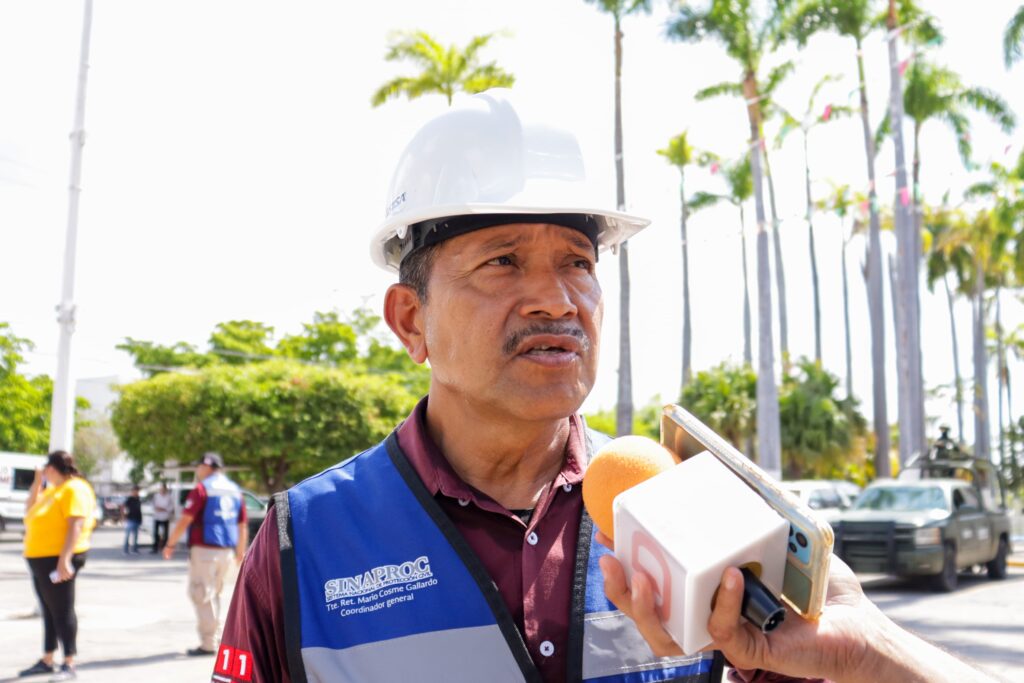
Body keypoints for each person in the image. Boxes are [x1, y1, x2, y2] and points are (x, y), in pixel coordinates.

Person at [216, 90, 996, 683]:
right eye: (502, 260)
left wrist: (867, 646)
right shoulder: (304, 542)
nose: (556, 299)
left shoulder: (693, 514)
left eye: (578, 262)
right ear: (410, 318)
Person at [19, 450, 97, 681]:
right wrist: (37, 482)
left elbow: (76, 524)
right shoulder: (54, 490)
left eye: (45, 470)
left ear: (53, 468)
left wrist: (65, 559)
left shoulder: (75, 488)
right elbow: (30, 509)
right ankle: (48, 658)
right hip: (41, 560)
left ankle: (69, 662)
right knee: (49, 609)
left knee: (62, 610)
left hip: (58, 559)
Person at [163, 452, 248, 657]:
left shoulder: (202, 489)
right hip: (227, 551)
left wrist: (170, 544)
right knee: (216, 594)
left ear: (206, 467)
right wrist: (240, 552)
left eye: (198, 467)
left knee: (201, 593)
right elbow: (242, 524)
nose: (197, 471)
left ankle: (209, 643)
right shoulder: (234, 490)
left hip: (205, 551)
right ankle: (217, 639)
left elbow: (185, 519)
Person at [151, 481, 174, 553]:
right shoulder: (156, 496)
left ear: (165, 489)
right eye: (161, 489)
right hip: (157, 516)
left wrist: (164, 509)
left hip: (165, 516)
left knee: (165, 534)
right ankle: (155, 548)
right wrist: (156, 509)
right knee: (155, 533)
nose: (162, 490)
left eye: (163, 489)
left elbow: (171, 507)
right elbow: (152, 505)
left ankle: (165, 548)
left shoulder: (169, 497)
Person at [122, 485, 142, 554]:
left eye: (137, 491)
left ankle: (134, 549)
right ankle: (125, 549)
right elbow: (123, 507)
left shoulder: (138, 499)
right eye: (135, 491)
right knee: (128, 535)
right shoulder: (130, 499)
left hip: (137, 518)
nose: (136, 492)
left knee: (136, 535)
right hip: (130, 519)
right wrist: (124, 516)